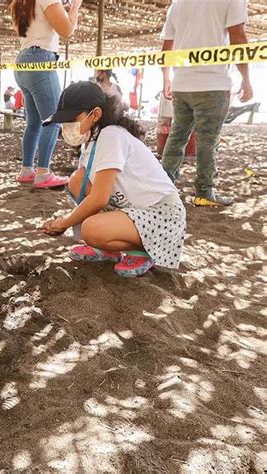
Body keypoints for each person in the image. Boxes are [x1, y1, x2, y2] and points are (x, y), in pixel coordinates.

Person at [42, 81, 186, 277]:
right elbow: (89, 188)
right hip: (133, 209)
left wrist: (64, 222)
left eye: (72, 119)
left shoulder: (110, 135)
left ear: (95, 114)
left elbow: (99, 198)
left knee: (91, 229)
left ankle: (142, 251)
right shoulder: (92, 141)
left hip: (161, 214)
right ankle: (107, 247)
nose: (67, 127)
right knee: (78, 179)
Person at [161, 0, 253, 207]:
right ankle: (204, 192)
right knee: (207, 141)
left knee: (177, 137)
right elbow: (237, 36)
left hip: (182, 84)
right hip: (212, 82)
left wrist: (166, 79)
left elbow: (167, 46)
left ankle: (163, 186)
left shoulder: (177, 4)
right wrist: (246, 78)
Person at [10, 0, 82, 189]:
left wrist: (62, 10)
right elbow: (67, 31)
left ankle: (27, 169)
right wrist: (75, 7)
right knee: (54, 119)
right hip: (40, 60)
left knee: (33, 123)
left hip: (23, 61)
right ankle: (43, 173)